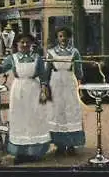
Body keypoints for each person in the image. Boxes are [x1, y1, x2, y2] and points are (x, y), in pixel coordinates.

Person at [0, 33, 51, 164]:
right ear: (17, 44)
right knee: (19, 119)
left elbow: (43, 77)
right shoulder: (12, 58)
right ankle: (19, 153)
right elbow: (0, 69)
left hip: (33, 90)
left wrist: (44, 90)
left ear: (32, 44)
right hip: (18, 91)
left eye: (27, 42)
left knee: (34, 119)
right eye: (22, 42)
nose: (25, 45)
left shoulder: (37, 58)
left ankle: (34, 152)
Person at [46, 27, 85, 156]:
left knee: (71, 112)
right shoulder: (51, 52)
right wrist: (45, 87)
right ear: (57, 38)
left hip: (69, 82)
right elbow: (46, 72)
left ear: (69, 37)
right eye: (60, 36)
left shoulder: (74, 52)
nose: (63, 39)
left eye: (65, 36)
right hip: (55, 83)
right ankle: (60, 145)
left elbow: (79, 71)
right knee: (57, 113)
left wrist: (80, 87)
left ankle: (72, 144)